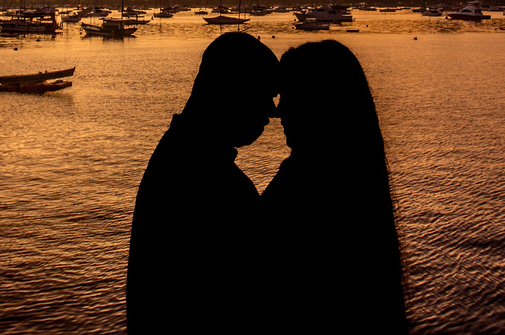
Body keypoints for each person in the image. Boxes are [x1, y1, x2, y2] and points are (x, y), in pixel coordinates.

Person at [126, 31, 279, 334]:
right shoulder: (217, 187)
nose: (272, 111)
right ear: (232, 91)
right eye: (265, 94)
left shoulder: (176, 157)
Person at [260, 40, 408, 333]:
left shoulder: (302, 189)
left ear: (319, 102)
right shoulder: (360, 182)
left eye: (289, 96)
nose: (278, 111)